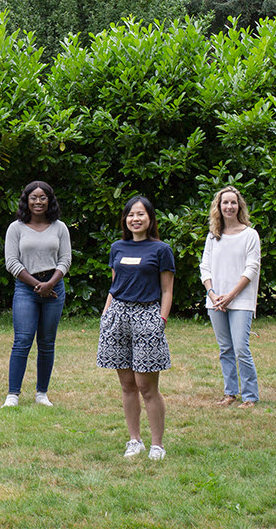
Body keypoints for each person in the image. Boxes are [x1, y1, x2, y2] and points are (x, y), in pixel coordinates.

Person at [97, 196, 174, 460]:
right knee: (127, 384)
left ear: (150, 218)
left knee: (146, 385)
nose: (135, 219)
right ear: (125, 219)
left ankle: (157, 444)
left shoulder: (161, 250)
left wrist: (160, 321)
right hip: (117, 316)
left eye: (141, 214)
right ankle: (134, 440)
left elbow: (167, 290)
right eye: (131, 215)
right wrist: (107, 313)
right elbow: (114, 284)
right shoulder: (117, 247)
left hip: (147, 317)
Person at [2, 180, 71, 408]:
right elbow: (11, 262)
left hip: (54, 287)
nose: (38, 201)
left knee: (47, 342)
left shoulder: (60, 228)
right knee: (22, 340)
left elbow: (65, 260)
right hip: (26, 288)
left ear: (49, 200)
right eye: (33, 197)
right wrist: (37, 285)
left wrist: (50, 284)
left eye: (43, 197)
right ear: (26, 200)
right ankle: (13, 394)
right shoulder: (16, 228)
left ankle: (42, 393)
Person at [200, 185, 262, 408]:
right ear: (218, 207)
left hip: (241, 301)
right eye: (224, 202)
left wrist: (231, 295)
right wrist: (212, 293)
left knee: (241, 348)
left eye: (233, 202)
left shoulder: (250, 235)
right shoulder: (213, 237)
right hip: (215, 301)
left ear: (239, 206)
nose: (229, 206)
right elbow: (205, 267)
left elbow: (251, 269)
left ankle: (250, 396)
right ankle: (230, 393)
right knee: (225, 348)